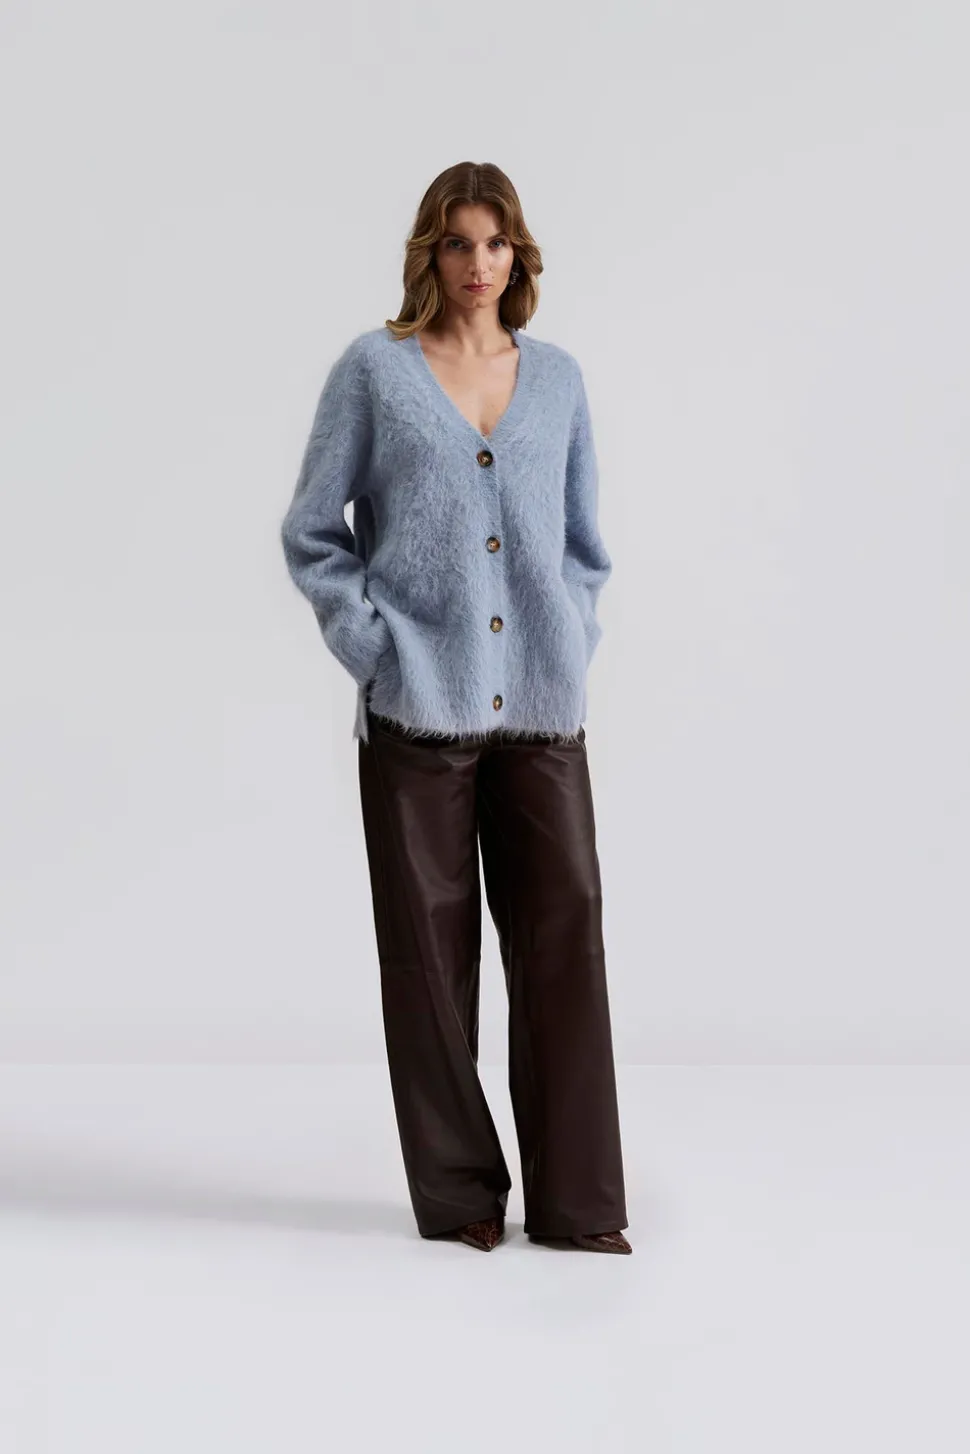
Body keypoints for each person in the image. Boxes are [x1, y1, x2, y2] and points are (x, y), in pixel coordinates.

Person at [280, 161, 631, 1255]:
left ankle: (579, 1205)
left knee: (564, 942)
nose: (478, 263)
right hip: (417, 711)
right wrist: (375, 652)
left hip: (541, 709)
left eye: (494, 241)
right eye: (456, 242)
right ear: (427, 253)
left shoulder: (558, 379)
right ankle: (460, 1195)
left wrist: (570, 638)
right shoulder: (375, 371)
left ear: (518, 253)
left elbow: (583, 545)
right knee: (428, 962)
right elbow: (313, 531)